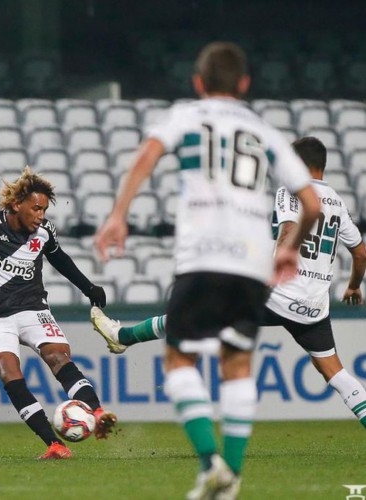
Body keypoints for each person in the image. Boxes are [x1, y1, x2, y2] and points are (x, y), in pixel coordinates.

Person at [93, 42, 320, 500]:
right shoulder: (264, 130)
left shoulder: (186, 116)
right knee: (237, 367)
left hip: (201, 256)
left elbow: (146, 156)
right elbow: (310, 203)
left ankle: (209, 463)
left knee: (180, 359)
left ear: (198, 83)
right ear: (245, 84)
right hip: (252, 262)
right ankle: (229, 481)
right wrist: (289, 249)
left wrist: (119, 214)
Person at [92, 136, 366, 430]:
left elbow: (287, 230)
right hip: (314, 307)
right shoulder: (338, 202)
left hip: (278, 295)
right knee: (334, 371)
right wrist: (353, 286)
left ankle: (124, 337)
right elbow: (360, 252)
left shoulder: (291, 191)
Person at [0, 166, 117, 459]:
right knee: (7, 371)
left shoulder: (44, 232)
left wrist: (88, 287)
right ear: (17, 205)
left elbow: (61, 259)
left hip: (34, 309)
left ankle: (97, 414)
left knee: (58, 356)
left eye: (44, 209)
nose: (41, 215)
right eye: (35, 208)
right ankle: (55, 445)